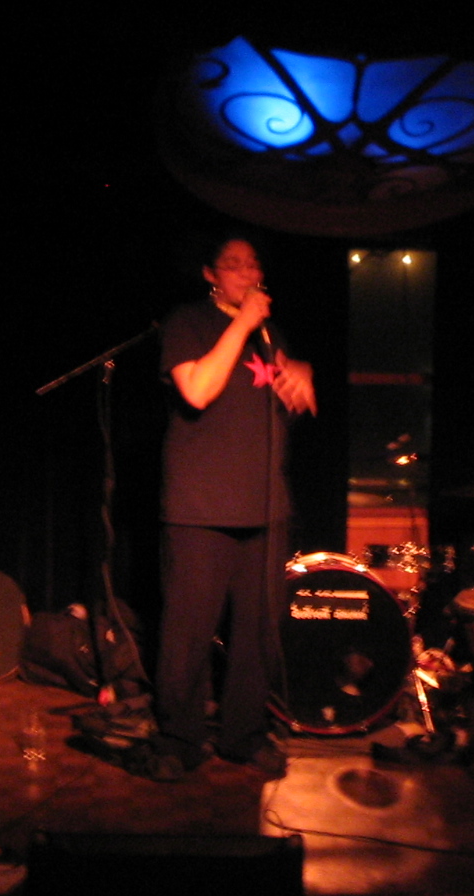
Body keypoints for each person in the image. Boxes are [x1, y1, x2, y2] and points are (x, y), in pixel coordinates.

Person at [152, 235, 316, 781]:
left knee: (257, 632)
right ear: (210, 275)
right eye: (233, 264)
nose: (248, 272)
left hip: (265, 506)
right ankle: (179, 738)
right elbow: (198, 390)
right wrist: (240, 323)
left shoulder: (270, 334)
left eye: (254, 264)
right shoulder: (188, 322)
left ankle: (244, 735)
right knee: (188, 633)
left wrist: (303, 377)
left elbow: (289, 397)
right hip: (200, 506)